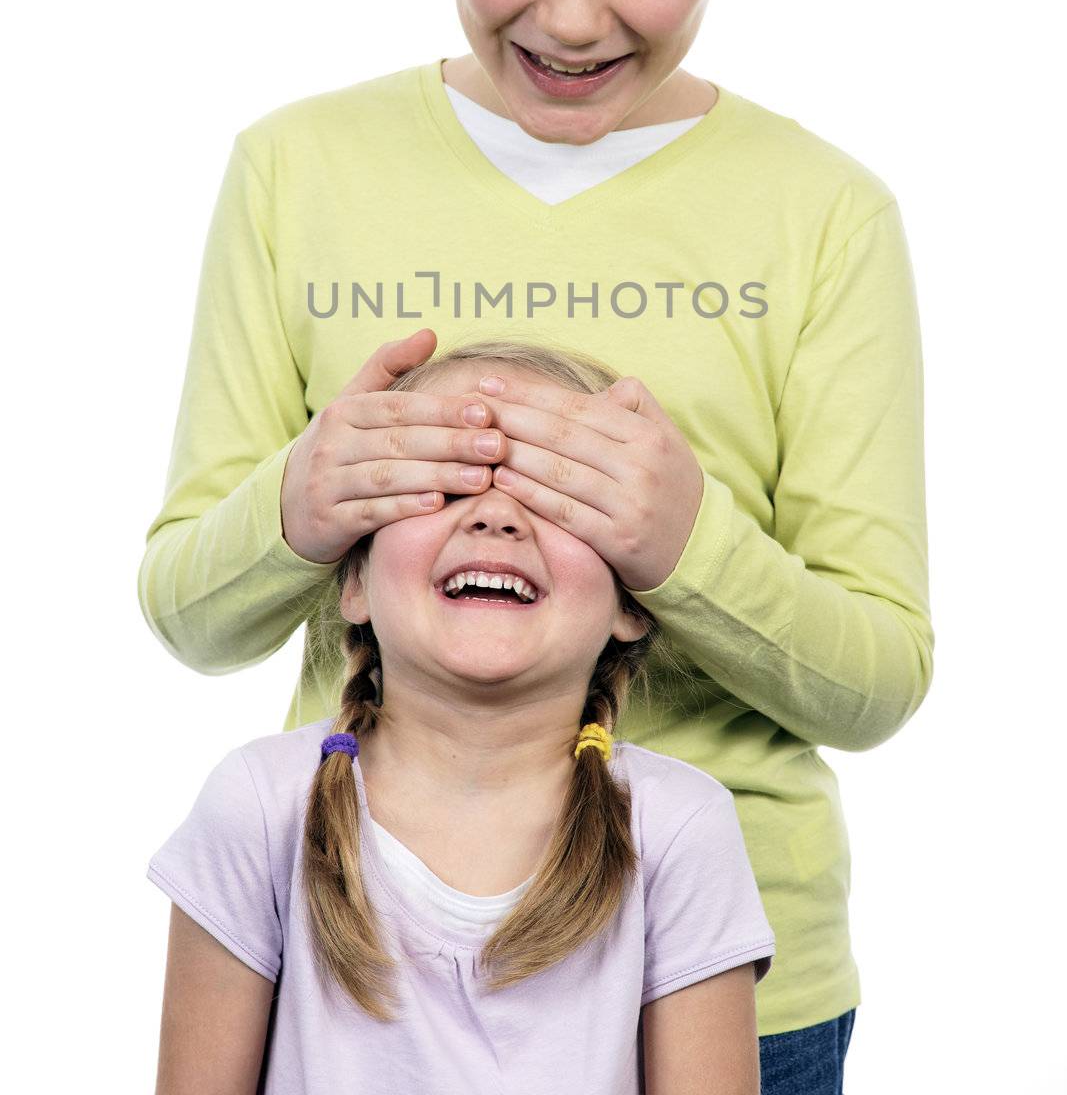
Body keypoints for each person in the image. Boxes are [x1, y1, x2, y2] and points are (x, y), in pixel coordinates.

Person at [139, 0, 931, 1088]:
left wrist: (684, 544)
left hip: (726, 974)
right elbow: (187, 613)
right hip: (348, 966)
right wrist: (300, 504)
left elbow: (877, 677)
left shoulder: (821, 215)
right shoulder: (297, 170)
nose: (570, 17)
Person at [147, 340, 776, 1094]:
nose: (497, 519)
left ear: (631, 605)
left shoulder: (680, 829)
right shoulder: (258, 804)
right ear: (354, 582)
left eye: (554, 496)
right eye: (442, 488)